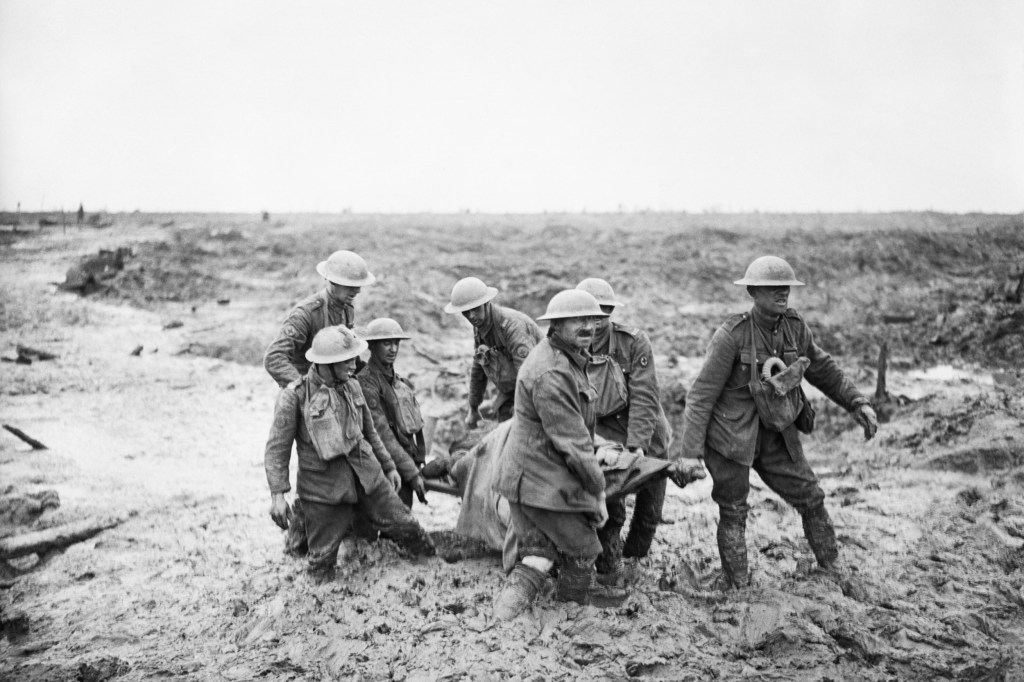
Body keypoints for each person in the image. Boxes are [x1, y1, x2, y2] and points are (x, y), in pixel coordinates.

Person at [678, 256, 878, 589]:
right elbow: (700, 396)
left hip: (777, 433)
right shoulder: (732, 335)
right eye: (772, 288)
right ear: (753, 292)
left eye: (785, 287)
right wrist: (689, 453)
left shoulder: (795, 328)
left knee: (811, 496)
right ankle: (737, 585)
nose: (782, 293)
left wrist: (856, 402)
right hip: (730, 438)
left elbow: (823, 368)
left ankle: (831, 570)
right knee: (733, 509)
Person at [492, 289, 628, 618]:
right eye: (577, 320)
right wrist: (597, 493)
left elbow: (575, 429)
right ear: (555, 326)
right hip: (538, 479)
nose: (588, 327)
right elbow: (572, 444)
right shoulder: (552, 371)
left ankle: (505, 623)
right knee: (583, 549)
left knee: (539, 556)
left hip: (531, 473)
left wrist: (599, 446)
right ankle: (569, 615)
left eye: (592, 319)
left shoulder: (568, 358)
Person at [263, 326, 434, 583]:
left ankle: (435, 570)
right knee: (321, 566)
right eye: (346, 361)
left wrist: (388, 467)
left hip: (369, 478)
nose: (354, 365)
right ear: (326, 365)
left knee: (409, 528)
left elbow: (370, 431)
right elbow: (277, 449)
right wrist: (278, 495)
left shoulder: (353, 386)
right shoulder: (294, 397)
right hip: (323, 492)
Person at [575, 278, 703, 583]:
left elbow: (645, 397)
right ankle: (608, 566)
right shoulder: (569, 346)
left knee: (649, 511)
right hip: (603, 434)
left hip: (647, 435)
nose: (595, 323)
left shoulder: (633, 343)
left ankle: (634, 561)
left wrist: (637, 446)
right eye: (588, 315)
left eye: (603, 314)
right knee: (609, 504)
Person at [263, 249, 375, 556]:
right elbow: (274, 357)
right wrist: (302, 388)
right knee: (314, 470)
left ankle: (343, 525)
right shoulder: (306, 314)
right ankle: (300, 539)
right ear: (331, 282)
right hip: (306, 401)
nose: (357, 291)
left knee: (341, 458)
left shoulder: (345, 309)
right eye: (351, 286)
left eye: (358, 286)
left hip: (333, 392)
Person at [443, 277, 543, 427]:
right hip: (513, 390)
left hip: (539, 389)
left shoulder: (512, 326)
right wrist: (473, 407)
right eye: (466, 312)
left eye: (475, 309)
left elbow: (528, 375)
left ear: (486, 304)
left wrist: (521, 410)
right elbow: (478, 367)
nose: (471, 316)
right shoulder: (480, 327)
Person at [355, 318, 428, 509]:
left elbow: (412, 428)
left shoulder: (398, 382)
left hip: (403, 463)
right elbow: (382, 434)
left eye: (396, 343)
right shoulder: (366, 383)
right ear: (371, 345)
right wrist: (412, 473)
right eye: (386, 343)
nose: (393, 349)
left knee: (400, 529)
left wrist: (418, 462)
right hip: (382, 468)